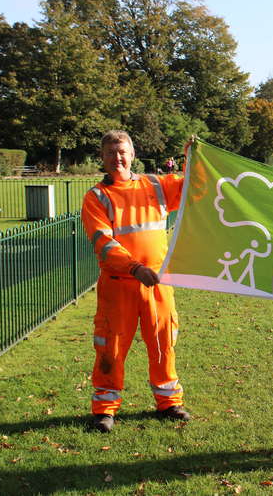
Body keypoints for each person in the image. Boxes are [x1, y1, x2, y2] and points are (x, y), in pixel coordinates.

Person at [81, 130, 190, 433]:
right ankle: (104, 409)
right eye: (111, 152)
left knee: (163, 343)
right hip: (119, 285)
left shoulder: (155, 185)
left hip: (158, 283)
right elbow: (103, 242)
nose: (117, 158)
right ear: (102, 158)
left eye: (122, 152)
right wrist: (134, 268)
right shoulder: (96, 197)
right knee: (110, 347)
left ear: (132, 155)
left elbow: (194, 186)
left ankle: (169, 402)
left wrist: (193, 156)